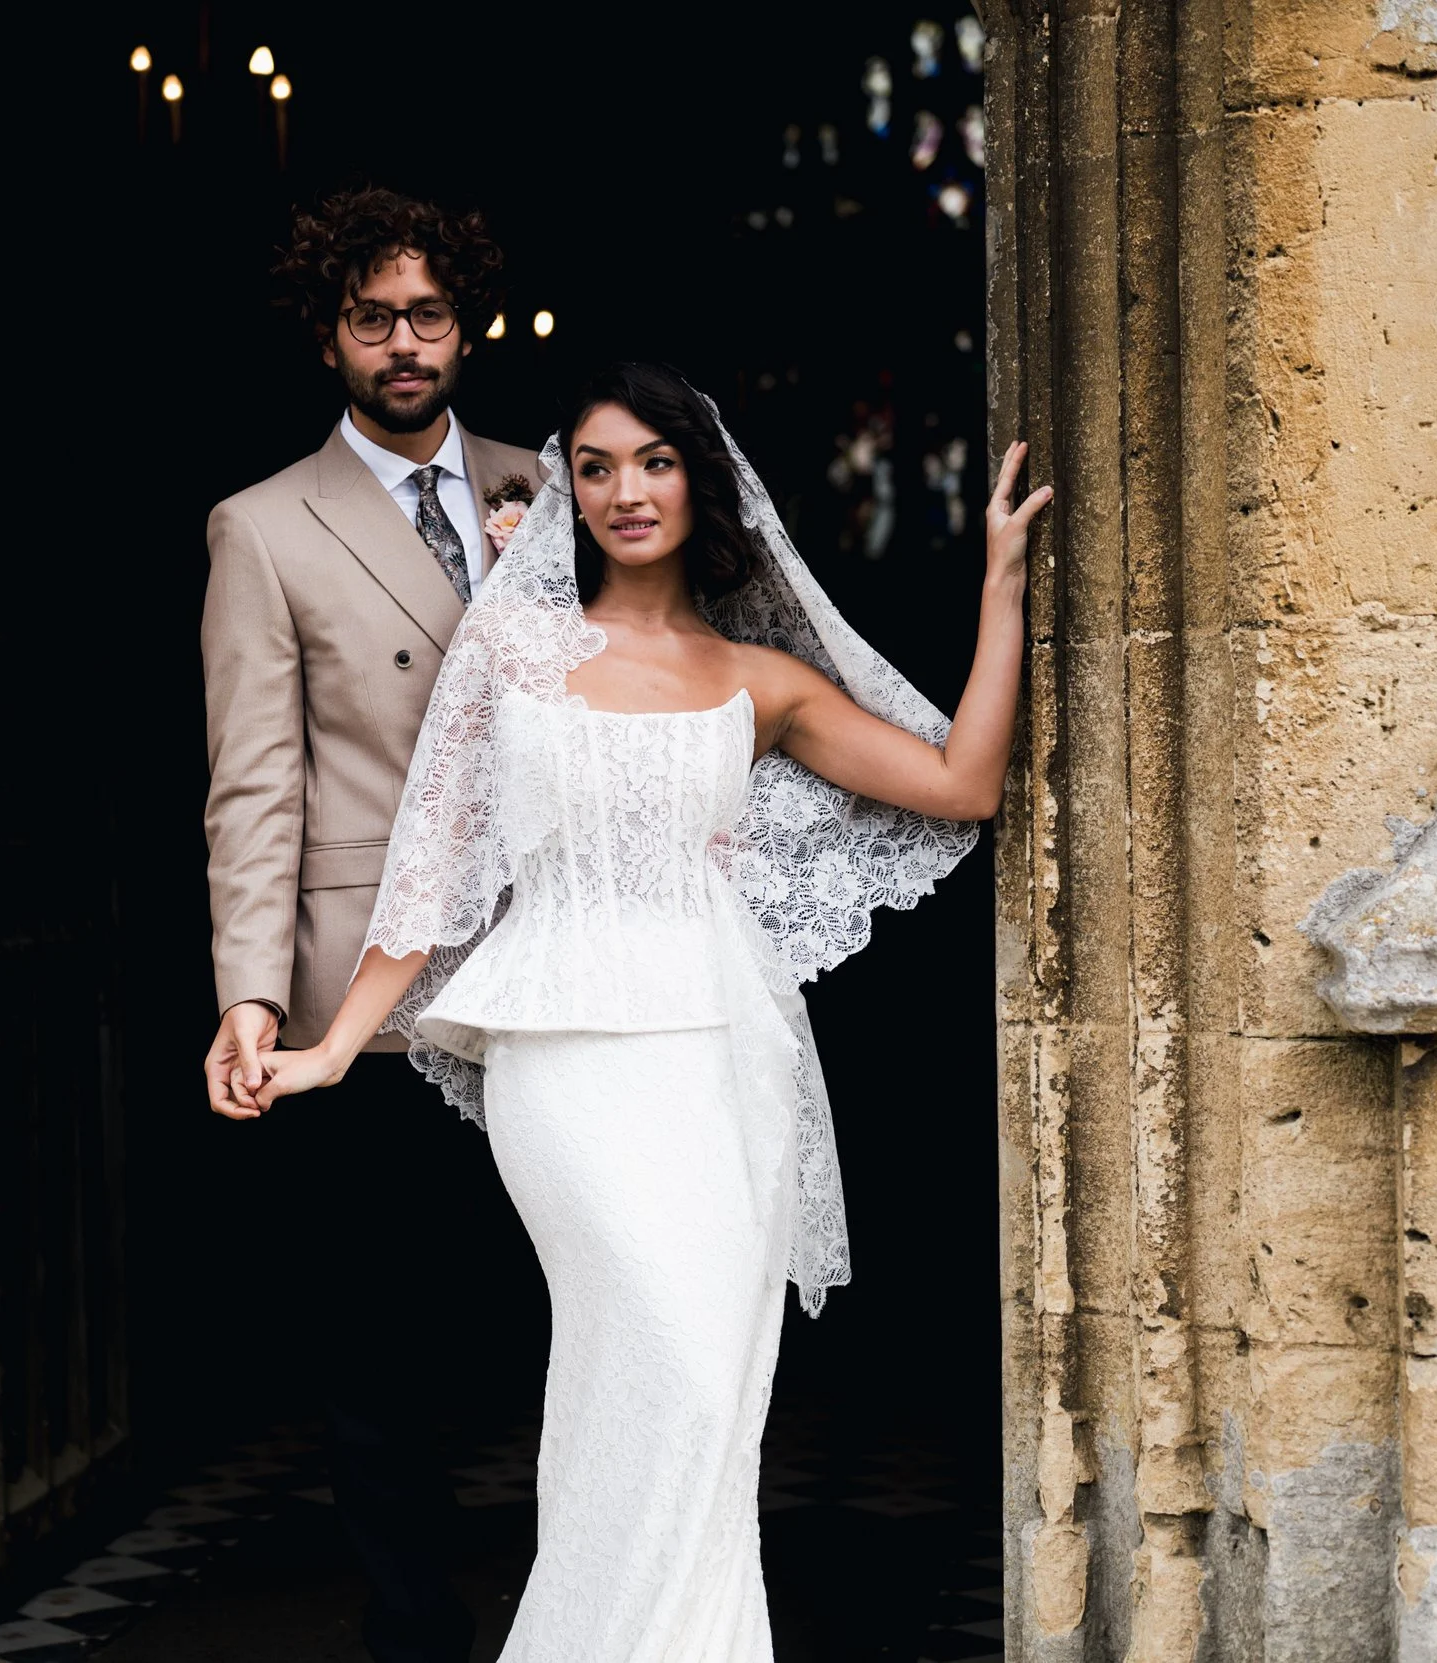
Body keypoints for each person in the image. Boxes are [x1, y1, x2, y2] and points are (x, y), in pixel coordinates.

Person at [231, 362, 1049, 1660]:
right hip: (566, 1067)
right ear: (568, 488)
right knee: (654, 1354)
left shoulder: (758, 677)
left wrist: (1000, 582)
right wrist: (333, 1041)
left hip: (723, 1066)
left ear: (700, 481)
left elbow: (963, 780)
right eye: (596, 465)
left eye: (653, 461)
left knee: (713, 1398)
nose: (625, 489)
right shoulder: (513, 650)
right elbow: (433, 868)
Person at [199, 185, 548, 1663]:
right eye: (371, 317)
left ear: (467, 323)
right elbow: (255, 777)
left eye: (426, 313)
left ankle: (577, 1606)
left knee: (562, 1305)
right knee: (380, 1338)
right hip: (368, 992)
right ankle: (414, 1625)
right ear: (329, 334)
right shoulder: (265, 525)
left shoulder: (566, 484)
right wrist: (248, 994)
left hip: (555, 961)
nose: (403, 343)